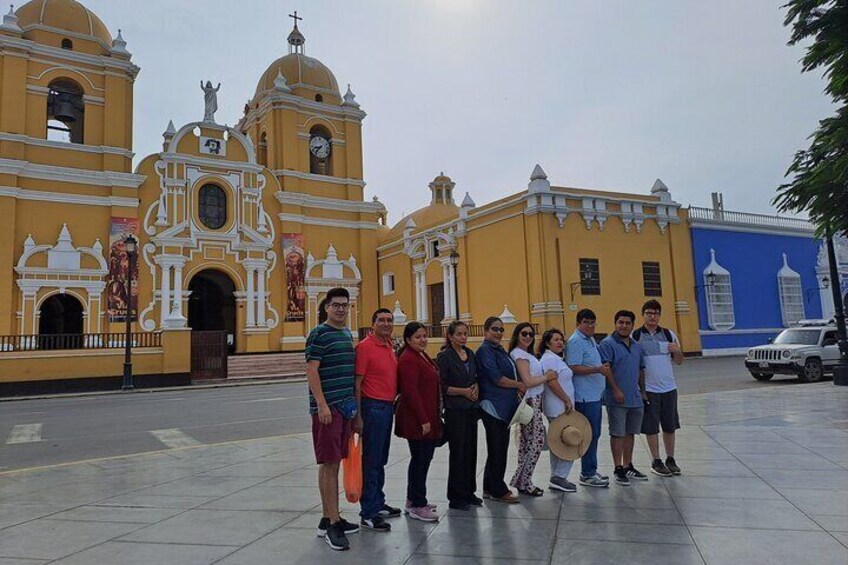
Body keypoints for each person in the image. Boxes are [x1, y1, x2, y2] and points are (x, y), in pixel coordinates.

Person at [305, 287, 359, 551]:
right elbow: (311, 370)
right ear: (326, 307)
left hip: (343, 408)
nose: (340, 309)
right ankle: (333, 523)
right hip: (327, 411)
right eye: (335, 305)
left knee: (333, 463)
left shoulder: (345, 333)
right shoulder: (318, 334)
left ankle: (328, 518)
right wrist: (322, 405)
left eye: (344, 305)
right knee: (329, 464)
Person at [354, 309, 401, 532]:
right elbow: (357, 383)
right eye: (381, 320)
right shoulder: (365, 347)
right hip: (372, 407)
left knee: (381, 459)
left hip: (387, 407)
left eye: (389, 320)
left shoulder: (390, 345)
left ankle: (378, 502)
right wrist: (358, 416)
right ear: (372, 324)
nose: (385, 323)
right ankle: (369, 512)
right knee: (371, 462)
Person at [394, 322, 443, 522]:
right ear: (408, 340)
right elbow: (411, 392)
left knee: (423, 459)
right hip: (417, 419)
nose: (423, 340)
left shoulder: (420, 355)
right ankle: (417, 504)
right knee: (420, 460)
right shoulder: (408, 360)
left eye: (424, 336)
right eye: (417, 337)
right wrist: (424, 420)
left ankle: (413, 499)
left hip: (427, 415)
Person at [476, 316, 525, 504]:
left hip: (504, 406)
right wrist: (519, 385)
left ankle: (489, 486)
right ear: (486, 331)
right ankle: (498, 489)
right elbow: (497, 378)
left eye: (501, 330)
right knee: (498, 449)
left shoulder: (498, 350)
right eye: (494, 329)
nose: (498, 333)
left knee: (497, 448)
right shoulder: (485, 351)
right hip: (493, 406)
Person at [633, 299, 684, 477]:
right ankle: (656, 460)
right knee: (651, 427)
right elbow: (634, 364)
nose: (652, 316)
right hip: (650, 390)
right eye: (649, 313)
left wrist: (676, 350)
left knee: (670, 426)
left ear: (660, 315)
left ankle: (671, 458)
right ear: (643, 315)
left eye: (655, 313)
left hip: (669, 388)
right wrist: (640, 389)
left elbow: (679, 361)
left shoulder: (669, 335)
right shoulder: (636, 336)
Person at [598, 310, 648, 486]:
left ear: (633, 325)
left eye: (627, 323)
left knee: (630, 432)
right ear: (615, 323)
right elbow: (606, 369)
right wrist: (616, 390)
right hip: (616, 398)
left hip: (635, 397)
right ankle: (618, 467)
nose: (624, 326)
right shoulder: (607, 344)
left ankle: (628, 465)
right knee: (617, 433)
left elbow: (641, 370)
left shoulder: (636, 346)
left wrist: (643, 391)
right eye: (620, 322)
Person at [436, 321, 482, 511]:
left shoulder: (470, 354)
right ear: (450, 336)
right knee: (458, 453)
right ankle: (456, 496)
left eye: (465, 334)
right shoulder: (445, 357)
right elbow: (442, 386)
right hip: (455, 410)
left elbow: (475, 377)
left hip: (471, 409)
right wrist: (463, 391)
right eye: (459, 334)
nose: (463, 337)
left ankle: (469, 491)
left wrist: (475, 387)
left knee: (471, 451)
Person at [508, 322, 558, 496]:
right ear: (517, 335)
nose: (528, 337)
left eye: (531, 334)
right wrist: (547, 376)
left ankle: (523, 480)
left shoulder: (526, 354)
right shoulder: (519, 355)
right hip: (530, 401)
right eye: (524, 333)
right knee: (535, 443)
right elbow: (528, 381)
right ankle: (525, 481)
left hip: (535, 401)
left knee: (527, 443)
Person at [566, 309, 611, 488]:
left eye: (593, 322)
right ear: (578, 323)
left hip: (594, 395)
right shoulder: (576, 341)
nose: (590, 326)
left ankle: (591, 468)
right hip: (585, 397)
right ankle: (587, 473)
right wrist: (597, 370)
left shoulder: (590, 339)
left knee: (595, 434)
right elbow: (573, 367)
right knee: (589, 435)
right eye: (587, 322)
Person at [538, 329, 577, 492]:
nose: (560, 342)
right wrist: (566, 399)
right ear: (547, 343)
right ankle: (559, 476)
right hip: (559, 408)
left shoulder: (555, 359)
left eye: (561, 339)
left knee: (558, 443)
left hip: (561, 408)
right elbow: (552, 383)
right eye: (556, 340)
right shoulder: (550, 360)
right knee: (572, 442)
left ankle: (557, 476)